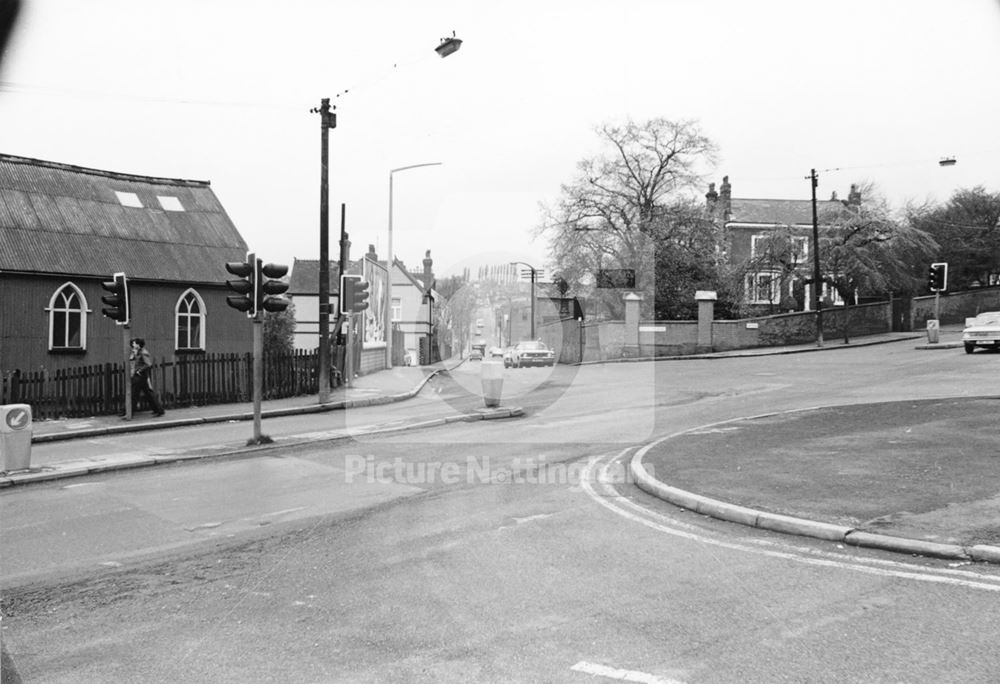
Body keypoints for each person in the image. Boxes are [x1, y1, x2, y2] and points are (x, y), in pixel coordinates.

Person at [129, 337, 164, 416]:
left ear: (138, 344)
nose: (133, 344)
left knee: (134, 393)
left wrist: (139, 371)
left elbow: (148, 364)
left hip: (140, 376)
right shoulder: (136, 352)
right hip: (139, 376)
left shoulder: (143, 352)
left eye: (134, 343)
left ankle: (128, 411)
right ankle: (158, 410)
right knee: (147, 393)